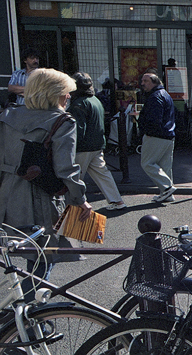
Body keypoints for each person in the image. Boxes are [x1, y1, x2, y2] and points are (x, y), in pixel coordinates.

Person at [0, 68, 93, 298]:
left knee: (12, 256)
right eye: (66, 92)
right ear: (53, 94)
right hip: (41, 196)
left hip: (7, 194)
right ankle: (28, 319)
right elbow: (66, 168)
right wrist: (80, 200)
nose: (69, 96)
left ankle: (18, 316)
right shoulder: (62, 121)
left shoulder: (7, 115)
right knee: (43, 259)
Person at [67, 72, 126, 211]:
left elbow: (78, 129)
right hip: (97, 144)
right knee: (103, 174)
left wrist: (72, 146)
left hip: (82, 147)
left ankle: (75, 206)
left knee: (74, 178)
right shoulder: (95, 100)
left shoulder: (78, 104)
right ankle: (117, 200)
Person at [139, 73, 177, 203]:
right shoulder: (165, 94)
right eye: (142, 80)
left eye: (146, 81)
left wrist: (147, 131)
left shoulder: (155, 97)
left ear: (154, 82)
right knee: (165, 166)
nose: (142, 83)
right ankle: (167, 194)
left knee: (147, 163)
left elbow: (154, 119)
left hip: (156, 135)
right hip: (169, 135)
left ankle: (167, 188)